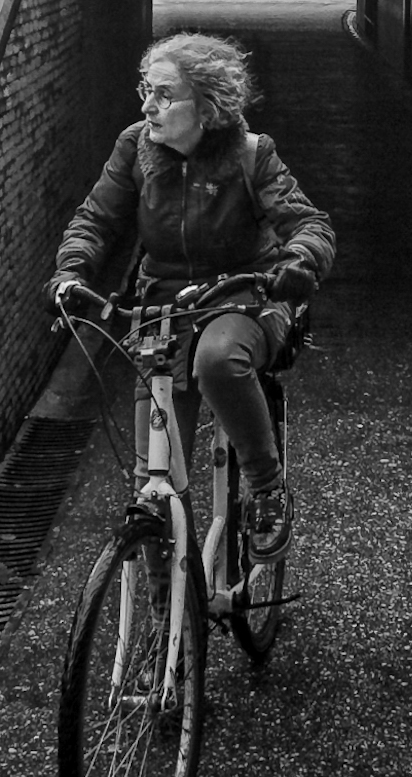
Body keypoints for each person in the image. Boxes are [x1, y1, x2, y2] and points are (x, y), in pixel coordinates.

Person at [48, 32, 335, 560]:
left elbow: (310, 225)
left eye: (164, 94)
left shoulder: (252, 155)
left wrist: (298, 264)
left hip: (244, 294)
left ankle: (267, 486)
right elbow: (96, 220)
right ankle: (168, 600)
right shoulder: (135, 147)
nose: (147, 106)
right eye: (146, 90)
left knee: (217, 360)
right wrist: (71, 271)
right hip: (163, 306)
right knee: (152, 482)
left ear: (207, 106)